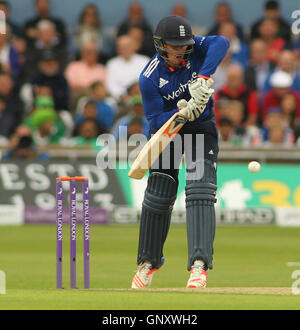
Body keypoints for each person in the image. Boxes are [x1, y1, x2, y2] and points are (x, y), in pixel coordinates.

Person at [131, 16, 229, 289]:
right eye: (175, 47)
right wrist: (183, 111)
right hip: (168, 131)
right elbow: (154, 121)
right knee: (158, 195)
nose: (181, 51)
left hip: (201, 129)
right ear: (161, 46)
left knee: (200, 190)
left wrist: (204, 77)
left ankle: (199, 266)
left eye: (184, 46)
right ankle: (147, 264)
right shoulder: (149, 77)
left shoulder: (196, 49)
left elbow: (222, 42)